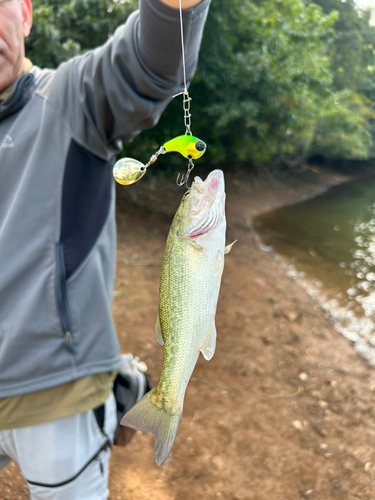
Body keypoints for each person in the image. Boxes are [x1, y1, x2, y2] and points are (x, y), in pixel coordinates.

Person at [0, 0, 210, 497]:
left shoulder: (71, 97)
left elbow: (149, 63)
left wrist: (175, 8)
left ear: (26, 13)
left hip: (59, 400)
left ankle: (118, 391)